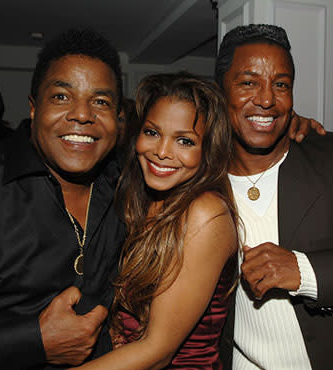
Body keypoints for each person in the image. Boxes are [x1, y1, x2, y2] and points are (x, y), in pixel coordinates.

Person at [63, 72, 238, 369]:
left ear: (208, 151)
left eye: (184, 140)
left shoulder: (206, 214)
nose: (162, 152)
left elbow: (157, 352)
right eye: (153, 133)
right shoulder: (140, 199)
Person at [0, 29, 126, 370]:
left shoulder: (128, 188)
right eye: (62, 97)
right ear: (34, 108)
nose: (82, 114)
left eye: (100, 101)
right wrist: (30, 343)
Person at [215, 24, 333, 370]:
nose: (267, 99)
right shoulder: (197, 178)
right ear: (220, 93)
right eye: (248, 83)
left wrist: (305, 271)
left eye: (281, 85)